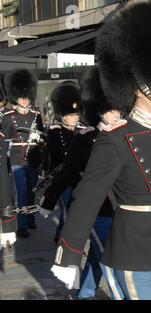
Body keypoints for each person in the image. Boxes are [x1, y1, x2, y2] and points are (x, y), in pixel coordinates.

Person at [49, 1, 151, 300]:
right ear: (139, 86)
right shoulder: (115, 139)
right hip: (135, 250)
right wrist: (68, 254)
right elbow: (87, 197)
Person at [38, 67, 125, 299]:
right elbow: (67, 173)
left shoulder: (125, 135)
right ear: (99, 110)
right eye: (111, 109)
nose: (117, 114)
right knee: (111, 260)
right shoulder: (87, 139)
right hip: (98, 210)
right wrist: (48, 200)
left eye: (119, 109)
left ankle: (85, 292)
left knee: (99, 255)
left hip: (122, 209)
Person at [1, 68, 44, 238]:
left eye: (26, 97)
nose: (24, 100)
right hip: (18, 156)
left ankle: (31, 217)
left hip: (33, 155)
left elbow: (42, 133)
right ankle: (22, 224)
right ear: (16, 97)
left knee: (32, 190)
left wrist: (39, 137)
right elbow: (5, 138)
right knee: (21, 190)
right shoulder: (8, 115)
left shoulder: (36, 114)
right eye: (21, 97)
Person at [45, 82, 84, 243]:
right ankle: (67, 241)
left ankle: (60, 232)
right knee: (67, 210)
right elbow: (56, 153)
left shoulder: (83, 131)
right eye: (71, 115)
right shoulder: (55, 132)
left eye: (76, 115)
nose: (74, 118)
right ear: (63, 115)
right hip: (62, 178)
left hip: (78, 178)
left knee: (73, 210)